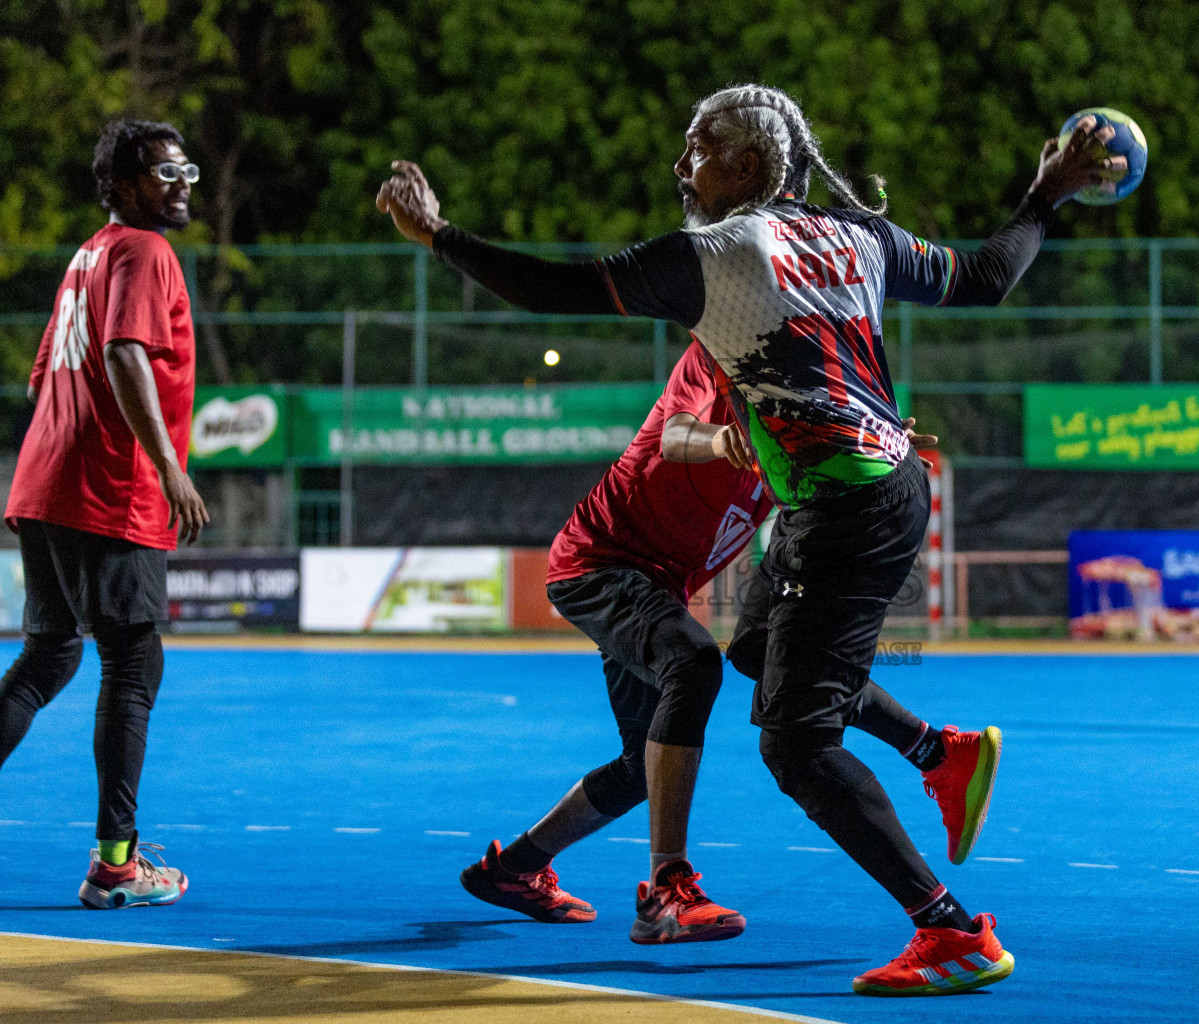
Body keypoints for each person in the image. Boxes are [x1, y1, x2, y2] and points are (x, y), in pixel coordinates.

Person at [378, 83, 1113, 995]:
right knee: (754, 650)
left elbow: (553, 288)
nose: (680, 165)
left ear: (750, 164)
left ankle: (950, 932)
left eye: (696, 148)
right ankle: (938, 754)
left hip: (843, 509)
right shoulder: (863, 237)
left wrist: (440, 236)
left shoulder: (716, 255)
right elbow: (988, 276)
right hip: (868, 494)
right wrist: (1046, 196)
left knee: (794, 744)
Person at [456, 340, 1001, 947]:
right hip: (597, 563)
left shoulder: (802, 417)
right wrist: (720, 441)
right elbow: (675, 435)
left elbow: (845, 444)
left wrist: (883, 446)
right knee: (693, 663)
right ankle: (667, 887)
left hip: (657, 584)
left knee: (660, 754)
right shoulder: (718, 354)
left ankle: (513, 870)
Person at [0, 119, 209, 910]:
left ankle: (117, 857)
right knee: (132, 660)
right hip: (104, 490)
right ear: (123, 185)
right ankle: (116, 864)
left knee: (50, 657)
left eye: (187, 168)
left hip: (44, 485)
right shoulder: (144, 252)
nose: (182, 181)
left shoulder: (88, 254)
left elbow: (40, 377)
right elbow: (123, 353)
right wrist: (167, 468)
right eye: (164, 171)